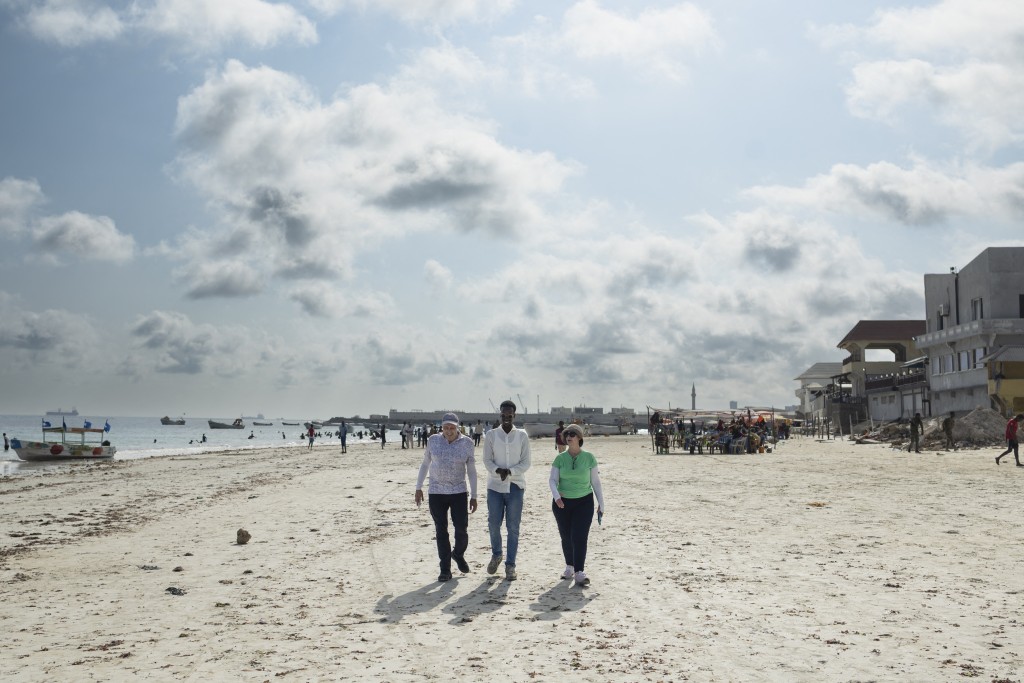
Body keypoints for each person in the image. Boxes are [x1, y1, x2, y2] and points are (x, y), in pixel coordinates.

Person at [415, 413, 477, 582]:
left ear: (458, 427)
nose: (449, 431)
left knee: (461, 530)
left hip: (458, 492)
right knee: (441, 531)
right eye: (446, 427)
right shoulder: (433, 440)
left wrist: (474, 495)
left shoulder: (467, 443)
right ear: (441, 427)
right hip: (436, 492)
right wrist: (418, 487)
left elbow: (471, 470)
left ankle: (458, 554)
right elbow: (425, 463)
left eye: (452, 427)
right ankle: (445, 569)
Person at [549, 424, 604, 587]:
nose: (568, 436)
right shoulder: (560, 458)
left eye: (572, 434)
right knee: (566, 536)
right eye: (567, 434)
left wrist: (601, 503)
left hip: (584, 502)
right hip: (562, 504)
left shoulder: (589, 458)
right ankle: (570, 566)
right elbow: (552, 480)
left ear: (579, 437)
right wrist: (557, 496)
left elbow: (595, 481)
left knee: (579, 536)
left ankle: (579, 572)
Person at [483, 400, 531, 580]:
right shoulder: (491, 435)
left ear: (514, 415)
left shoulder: (522, 436)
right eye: (503, 415)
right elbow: (487, 460)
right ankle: (496, 554)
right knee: (494, 524)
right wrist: (498, 471)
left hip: (516, 486)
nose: (506, 418)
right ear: (500, 415)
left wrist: (510, 472)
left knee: (513, 527)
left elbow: (526, 462)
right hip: (495, 486)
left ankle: (510, 565)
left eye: (509, 415)